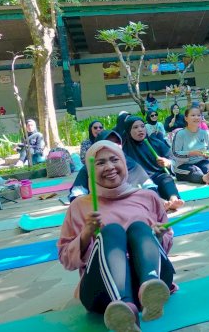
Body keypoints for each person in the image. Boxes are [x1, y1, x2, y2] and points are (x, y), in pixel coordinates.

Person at [57, 140, 175, 332]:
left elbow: (167, 243)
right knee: (112, 231)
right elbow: (66, 260)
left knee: (139, 228)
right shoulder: (79, 206)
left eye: (114, 160)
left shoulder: (148, 197)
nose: (110, 167)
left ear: (123, 162)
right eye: (101, 163)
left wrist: (159, 237)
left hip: (154, 279)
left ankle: (149, 289)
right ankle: (124, 306)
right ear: (89, 170)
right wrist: (86, 234)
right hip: (102, 293)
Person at [69, 129, 153, 203]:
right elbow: (77, 193)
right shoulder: (89, 168)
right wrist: (85, 207)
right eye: (101, 163)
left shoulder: (130, 163)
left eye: (117, 142)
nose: (110, 167)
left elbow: (148, 185)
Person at [122, 116, 184, 211]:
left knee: (165, 178)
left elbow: (174, 160)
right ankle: (159, 202)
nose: (140, 130)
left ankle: (173, 199)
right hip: (140, 181)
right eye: (135, 127)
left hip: (157, 177)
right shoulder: (123, 149)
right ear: (128, 130)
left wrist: (168, 163)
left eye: (142, 126)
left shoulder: (155, 142)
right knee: (145, 188)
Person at [172, 105, 209, 184]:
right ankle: (204, 178)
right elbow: (175, 153)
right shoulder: (180, 134)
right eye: (193, 115)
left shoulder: (205, 133)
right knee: (194, 170)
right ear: (186, 118)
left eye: (199, 115)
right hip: (183, 166)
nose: (196, 117)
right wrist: (192, 153)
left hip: (201, 161)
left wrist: (208, 154)